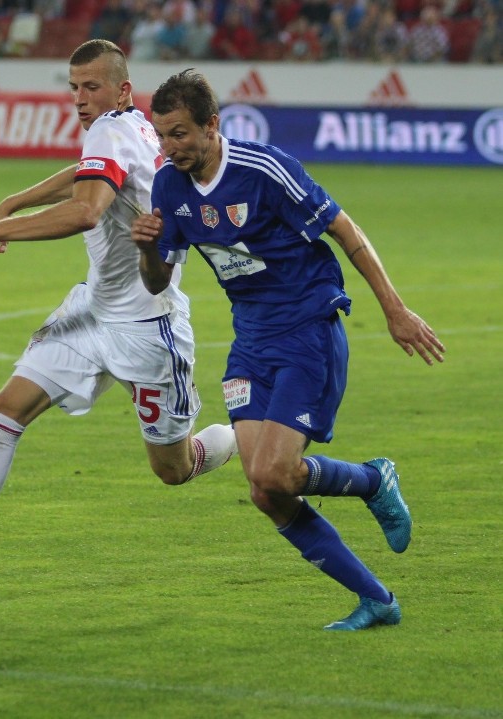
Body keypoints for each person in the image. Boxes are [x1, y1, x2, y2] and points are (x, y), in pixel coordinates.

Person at [0, 40, 238, 591]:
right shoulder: (128, 127)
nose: (79, 98)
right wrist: (18, 199)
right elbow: (89, 173)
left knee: (174, 467)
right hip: (92, 313)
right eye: (73, 87)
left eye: (90, 87)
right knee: (6, 409)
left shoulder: (118, 129)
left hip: (148, 328)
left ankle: (246, 431)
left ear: (122, 89)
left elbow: (86, 208)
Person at [131, 70, 446, 631]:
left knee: (275, 473)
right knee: (266, 490)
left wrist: (395, 310)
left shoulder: (263, 169)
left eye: (179, 134)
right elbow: (157, 281)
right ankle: (377, 598)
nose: (169, 147)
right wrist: (149, 249)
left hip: (307, 329)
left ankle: (375, 481)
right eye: (162, 135)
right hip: (250, 339)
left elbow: (347, 233)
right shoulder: (168, 187)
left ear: (212, 125)